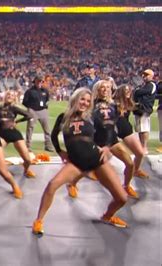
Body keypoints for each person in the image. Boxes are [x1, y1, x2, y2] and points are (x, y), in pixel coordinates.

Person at [32, 88, 128, 236]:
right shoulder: (63, 117)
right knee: (52, 185)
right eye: (82, 99)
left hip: (97, 160)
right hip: (76, 163)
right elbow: (53, 135)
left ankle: (108, 216)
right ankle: (39, 221)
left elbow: (109, 130)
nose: (84, 103)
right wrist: (60, 151)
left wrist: (107, 147)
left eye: (88, 101)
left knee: (122, 198)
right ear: (75, 99)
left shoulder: (92, 117)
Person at [67, 80, 141, 198]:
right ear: (97, 89)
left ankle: (126, 186)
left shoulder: (113, 104)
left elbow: (115, 121)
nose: (106, 89)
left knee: (130, 163)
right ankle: (72, 183)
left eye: (108, 87)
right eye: (103, 87)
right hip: (97, 140)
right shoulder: (90, 103)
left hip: (111, 140)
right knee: (88, 166)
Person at [113, 84, 148, 178]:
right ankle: (92, 170)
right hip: (112, 132)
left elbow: (140, 110)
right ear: (121, 92)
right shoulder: (113, 103)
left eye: (129, 90)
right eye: (125, 90)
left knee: (140, 153)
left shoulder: (129, 103)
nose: (128, 92)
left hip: (126, 131)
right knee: (103, 154)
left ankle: (136, 170)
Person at [22, 76, 54, 152]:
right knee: (30, 129)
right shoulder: (29, 91)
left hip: (43, 110)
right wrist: (30, 108)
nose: (40, 83)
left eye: (41, 81)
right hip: (33, 111)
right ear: (35, 81)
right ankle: (28, 146)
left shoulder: (45, 91)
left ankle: (48, 145)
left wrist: (44, 107)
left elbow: (47, 100)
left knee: (47, 129)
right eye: (38, 81)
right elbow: (24, 102)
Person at [133, 69, 157, 154]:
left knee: (144, 128)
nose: (144, 77)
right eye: (144, 75)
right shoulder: (145, 85)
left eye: (147, 75)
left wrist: (137, 90)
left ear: (151, 76)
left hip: (145, 109)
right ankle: (141, 146)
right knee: (140, 129)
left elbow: (139, 93)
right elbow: (136, 94)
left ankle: (144, 147)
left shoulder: (151, 84)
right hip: (139, 108)